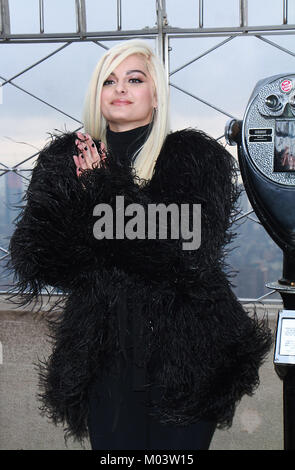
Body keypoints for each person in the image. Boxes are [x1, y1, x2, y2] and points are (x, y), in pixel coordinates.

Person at [7, 39, 272, 450]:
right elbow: (37, 256)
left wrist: (100, 194)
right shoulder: (65, 160)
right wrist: (128, 231)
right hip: (104, 358)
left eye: (134, 78)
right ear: (97, 93)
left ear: (155, 94)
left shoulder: (192, 156)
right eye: (109, 80)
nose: (121, 89)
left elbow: (187, 252)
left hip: (189, 356)